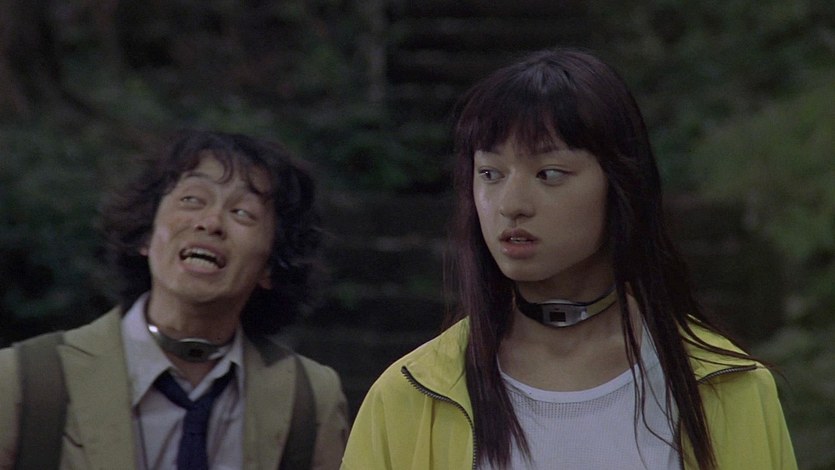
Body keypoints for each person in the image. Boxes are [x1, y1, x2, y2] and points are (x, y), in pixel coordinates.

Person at [341, 48, 796, 469]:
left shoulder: (727, 389)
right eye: (491, 173)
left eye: (550, 173)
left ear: (621, 184)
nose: (511, 204)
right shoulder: (412, 395)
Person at [0, 129, 349, 469]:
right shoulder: (24, 382)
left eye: (243, 212)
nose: (211, 222)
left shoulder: (309, 401)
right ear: (146, 234)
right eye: (192, 199)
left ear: (271, 265)